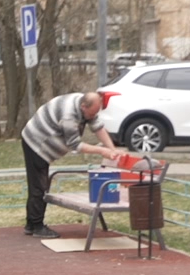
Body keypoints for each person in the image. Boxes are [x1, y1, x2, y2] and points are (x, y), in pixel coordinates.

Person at [19, 90, 121, 239]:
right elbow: (75, 145)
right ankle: (36, 226)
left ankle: (31, 225)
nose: (93, 116)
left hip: (42, 139)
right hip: (36, 143)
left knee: (39, 185)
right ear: (83, 107)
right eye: (91, 113)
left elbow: (98, 127)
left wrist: (112, 149)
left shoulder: (85, 104)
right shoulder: (69, 116)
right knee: (39, 185)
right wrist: (102, 151)